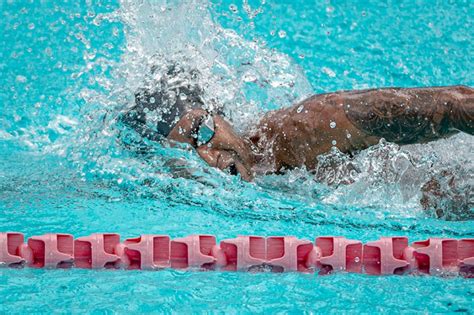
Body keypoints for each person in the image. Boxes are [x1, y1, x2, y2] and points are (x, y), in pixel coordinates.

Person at [122, 76, 473, 182]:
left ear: (221, 115)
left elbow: (454, 104)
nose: (208, 156)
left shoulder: (307, 127)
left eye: (202, 133)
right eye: (188, 150)